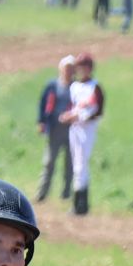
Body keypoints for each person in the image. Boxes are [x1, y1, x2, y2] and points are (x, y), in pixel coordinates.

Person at [60, 52, 103, 216]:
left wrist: (81, 116)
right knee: (76, 164)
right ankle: (78, 203)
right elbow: (73, 106)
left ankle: (81, 203)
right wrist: (69, 116)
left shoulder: (94, 87)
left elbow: (97, 110)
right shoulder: (75, 86)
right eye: (79, 67)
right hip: (75, 128)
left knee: (82, 164)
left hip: (87, 128)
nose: (81, 70)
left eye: (84, 67)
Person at [36, 54, 76, 203]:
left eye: (71, 69)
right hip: (55, 128)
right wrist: (41, 121)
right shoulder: (52, 85)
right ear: (60, 69)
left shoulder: (77, 87)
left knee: (70, 162)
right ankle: (42, 192)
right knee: (49, 161)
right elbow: (43, 103)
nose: (69, 71)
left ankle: (66, 193)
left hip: (72, 130)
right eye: (66, 69)